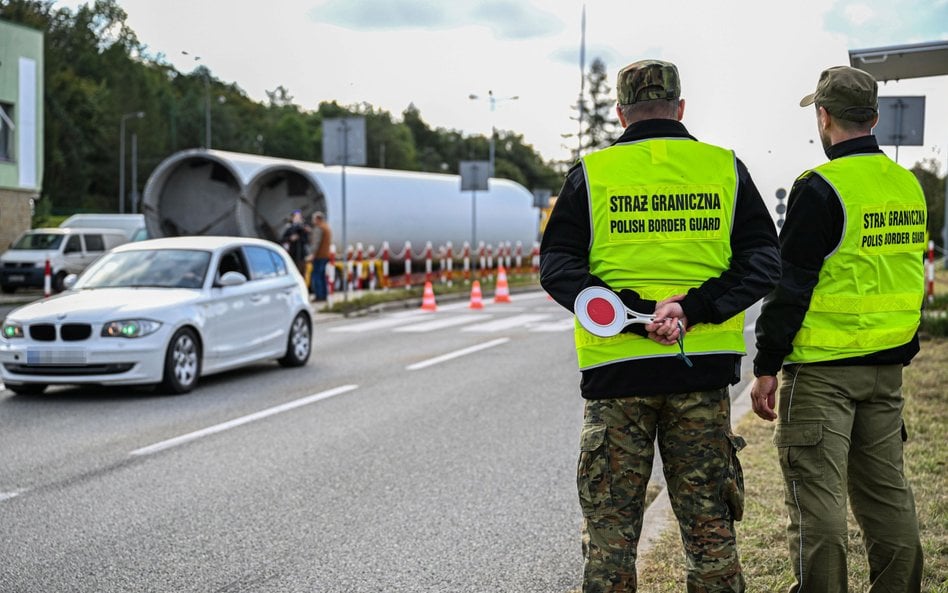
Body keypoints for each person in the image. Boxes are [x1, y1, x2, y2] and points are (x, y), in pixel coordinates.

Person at [540, 59, 780, 592]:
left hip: (618, 376)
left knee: (610, 538)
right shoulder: (724, 168)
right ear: (681, 108)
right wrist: (692, 307)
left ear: (621, 113)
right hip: (700, 375)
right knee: (710, 531)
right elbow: (764, 261)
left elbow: (557, 266)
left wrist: (630, 315)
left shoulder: (594, 174)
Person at [750, 65, 926, 592]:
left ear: (824, 117)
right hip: (886, 370)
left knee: (817, 505)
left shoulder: (819, 187)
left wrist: (765, 365)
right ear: (873, 118)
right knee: (887, 496)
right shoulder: (905, 185)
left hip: (823, 373)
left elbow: (791, 286)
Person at [307, 211, 333, 300]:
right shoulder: (326, 227)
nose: (312, 221)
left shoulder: (319, 228)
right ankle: (324, 295)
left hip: (319, 256)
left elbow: (316, 243)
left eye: (313, 219)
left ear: (318, 219)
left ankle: (319, 296)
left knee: (316, 276)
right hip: (325, 255)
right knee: (322, 276)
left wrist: (312, 254)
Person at [281, 209, 310, 275]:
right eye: (296, 217)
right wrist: (290, 238)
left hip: (301, 255)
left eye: (299, 217)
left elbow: (307, 241)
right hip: (293, 255)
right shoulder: (289, 228)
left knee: (302, 273)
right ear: (293, 218)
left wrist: (303, 233)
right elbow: (282, 239)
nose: (298, 219)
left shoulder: (304, 228)